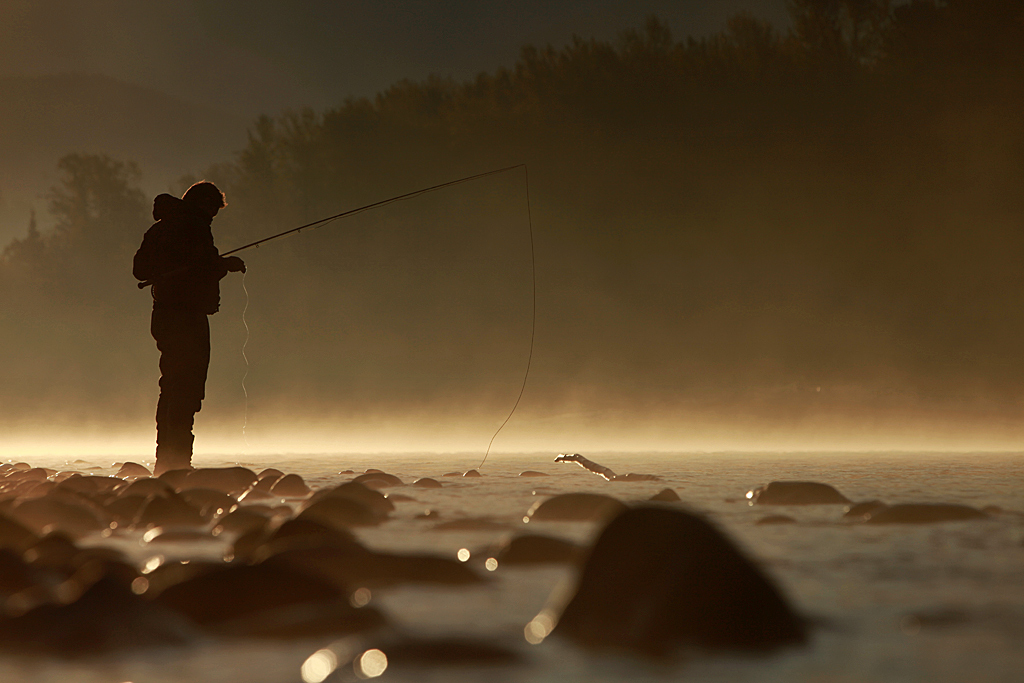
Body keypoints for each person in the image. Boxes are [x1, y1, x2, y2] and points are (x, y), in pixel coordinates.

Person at [133, 181, 245, 475]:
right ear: (203, 205)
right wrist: (227, 265)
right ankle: (180, 462)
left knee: (170, 385)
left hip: (162, 316)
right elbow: (205, 267)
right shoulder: (196, 227)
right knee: (188, 387)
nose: (212, 218)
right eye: (212, 211)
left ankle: (165, 461)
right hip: (188, 318)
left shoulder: (159, 228)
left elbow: (139, 269)